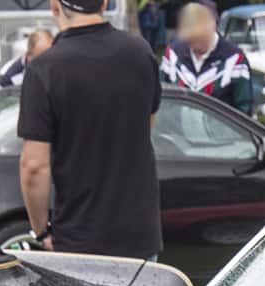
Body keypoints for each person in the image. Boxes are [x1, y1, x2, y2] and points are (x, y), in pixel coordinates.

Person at [18, 0, 161, 258]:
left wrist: (40, 231)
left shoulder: (44, 69)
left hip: (80, 241)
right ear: (104, 3)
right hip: (140, 237)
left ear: (54, 6)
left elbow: (34, 167)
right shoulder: (141, 52)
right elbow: (146, 127)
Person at [159, 0, 249, 115]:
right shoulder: (173, 54)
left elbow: (244, 110)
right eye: (191, 39)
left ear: (213, 26)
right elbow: (161, 98)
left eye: (200, 38)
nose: (195, 46)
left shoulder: (235, 59)